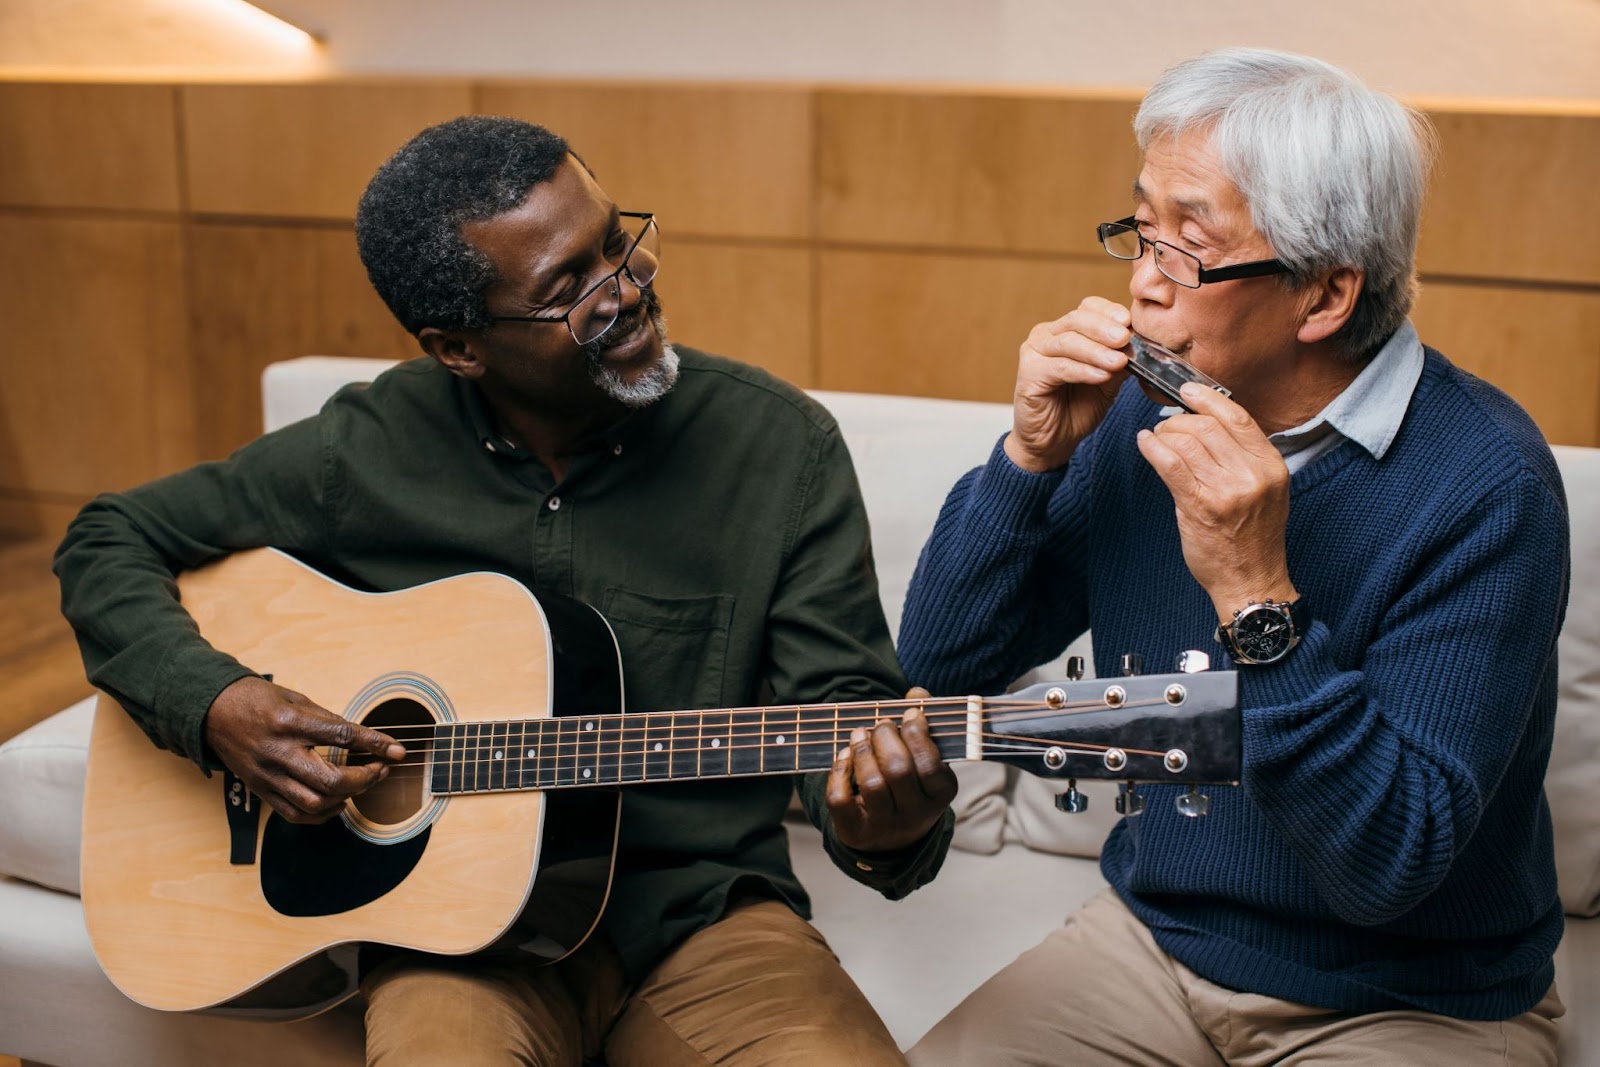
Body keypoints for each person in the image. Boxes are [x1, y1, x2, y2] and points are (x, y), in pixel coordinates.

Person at [55, 115, 957, 1066]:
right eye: (570, 290)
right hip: (458, 945)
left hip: (701, 920)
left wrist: (877, 819)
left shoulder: (781, 449)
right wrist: (217, 704)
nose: (629, 292)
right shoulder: (364, 449)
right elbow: (108, 536)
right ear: (459, 349)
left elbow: (841, 718)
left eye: (619, 243)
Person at [898, 48, 1569, 1065]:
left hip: (1414, 1001)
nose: (1138, 283)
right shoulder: (1136, 415)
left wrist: (1255, 589)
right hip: (1154, 946)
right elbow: (942, 662)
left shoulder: (1486, 485)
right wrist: (1027, 461)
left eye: (1185, 247)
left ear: (1323, 297)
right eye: (1140, 230)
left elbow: (1385, 866)